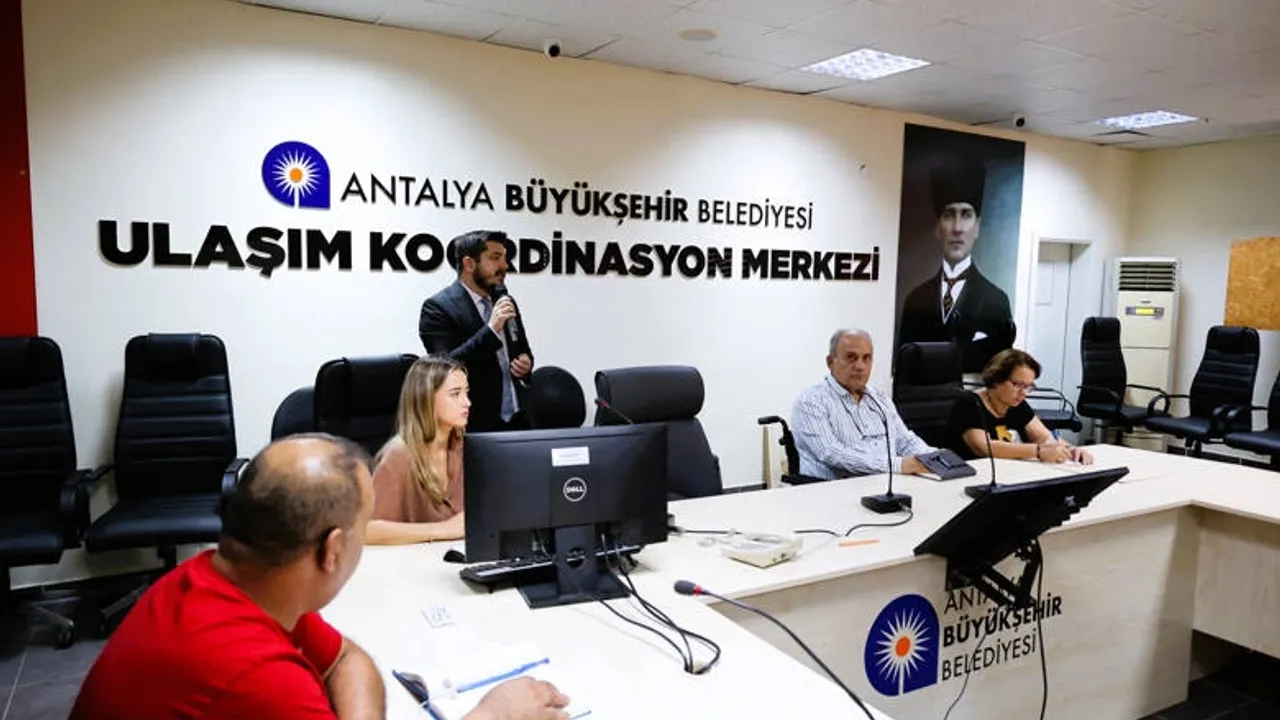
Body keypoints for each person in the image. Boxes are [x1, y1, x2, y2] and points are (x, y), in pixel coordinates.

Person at [70, 433, 572, 720]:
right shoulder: (259, 678)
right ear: (332, 550)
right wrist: (493, 714)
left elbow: (348, 659)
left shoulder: (221, 581)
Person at [897, 153, 1014, 374]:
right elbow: (903, 365)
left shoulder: (996, 300)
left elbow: (1001, 371)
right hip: (924, 393)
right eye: (949, 215)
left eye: (966, 215)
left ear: (977, 227)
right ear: (937, 227)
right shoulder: (916, 298)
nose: (957, 228)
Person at [419, 230, 534, 433]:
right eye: (495, 258)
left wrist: (525, 364)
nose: (505, 266)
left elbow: (521, 348)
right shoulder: (437, 308)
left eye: (505, 258)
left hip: (517, 420)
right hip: (472, 425)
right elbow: (444, 369)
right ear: (469, 264)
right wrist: (491, 330)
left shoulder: (504, 300)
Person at [791, 328, 935, 480]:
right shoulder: (811, 401)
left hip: (886, 484)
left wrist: (935, 458)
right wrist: (898, 465)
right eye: (851, 357)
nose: (860, 366)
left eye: (866, 358)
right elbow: (831, 453)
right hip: (833, 490)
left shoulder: (879, 398)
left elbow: (904, 441)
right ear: (830, 362)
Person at [368, 354, 469, 545]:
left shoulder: (466, 449)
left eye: (466, 392)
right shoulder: (399, 456)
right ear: (426, 399)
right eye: (455, 394)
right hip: (413, 560)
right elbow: (369, 530)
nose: (467, 402)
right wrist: (444, 529)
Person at [948, 348, 1093, 465]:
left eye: (1029, 387)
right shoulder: (969, 402)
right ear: (997, 378)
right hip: (971, 476)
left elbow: (1043, 436)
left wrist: (1069, 449)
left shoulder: (1017, 404)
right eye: (1017, 384)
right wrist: (1038, 451)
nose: (1023, 393)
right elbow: (983, 447)